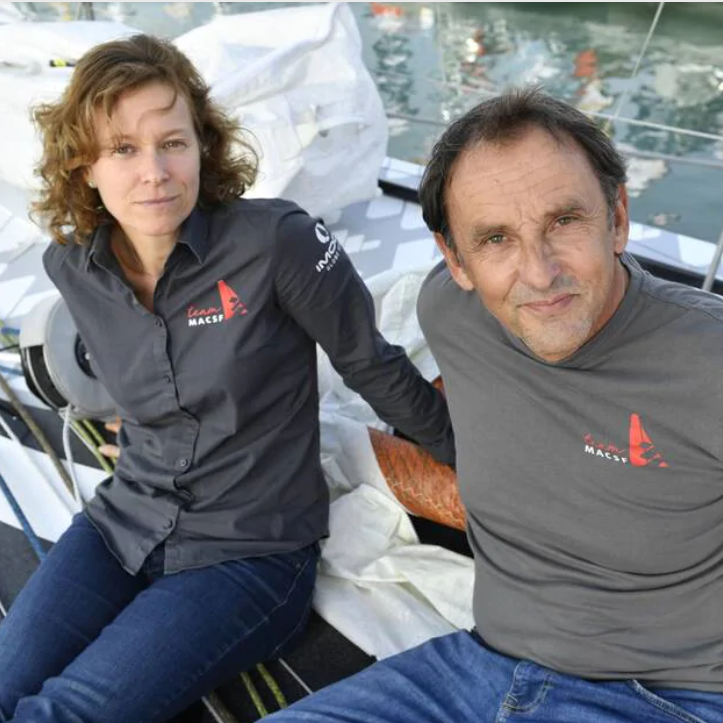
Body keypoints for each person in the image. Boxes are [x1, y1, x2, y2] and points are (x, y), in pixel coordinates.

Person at [0, 34, 454, 723]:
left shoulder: (277, 242)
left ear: (202, 146)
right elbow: (141, 376)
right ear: (85, 166)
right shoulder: (72, 267)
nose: (154, 171)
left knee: (63, 712)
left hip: (250, 555)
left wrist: (473, 461)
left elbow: (372, 365)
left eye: (172, 143)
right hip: (122, 522)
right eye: (123, 149)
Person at [261, 88, 723, 722]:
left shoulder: (709, 363)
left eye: (564, 221)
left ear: (617, 217)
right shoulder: (451, 314)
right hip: (476, 666)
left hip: (667, 695)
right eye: (496, 238)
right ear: (455, 260)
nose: (539, 273)